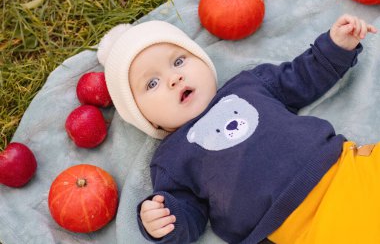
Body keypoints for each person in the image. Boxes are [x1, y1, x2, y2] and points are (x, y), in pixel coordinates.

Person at [97, 14, 378, 244]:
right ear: (144, 119)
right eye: (152, 84)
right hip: (296, 224)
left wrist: (335, 47)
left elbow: (302, 78)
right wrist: (164, 218)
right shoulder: (170, 160)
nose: (174, 78)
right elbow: (189, 215)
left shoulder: (250, 84)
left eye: (179, 61)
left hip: (346, 167)